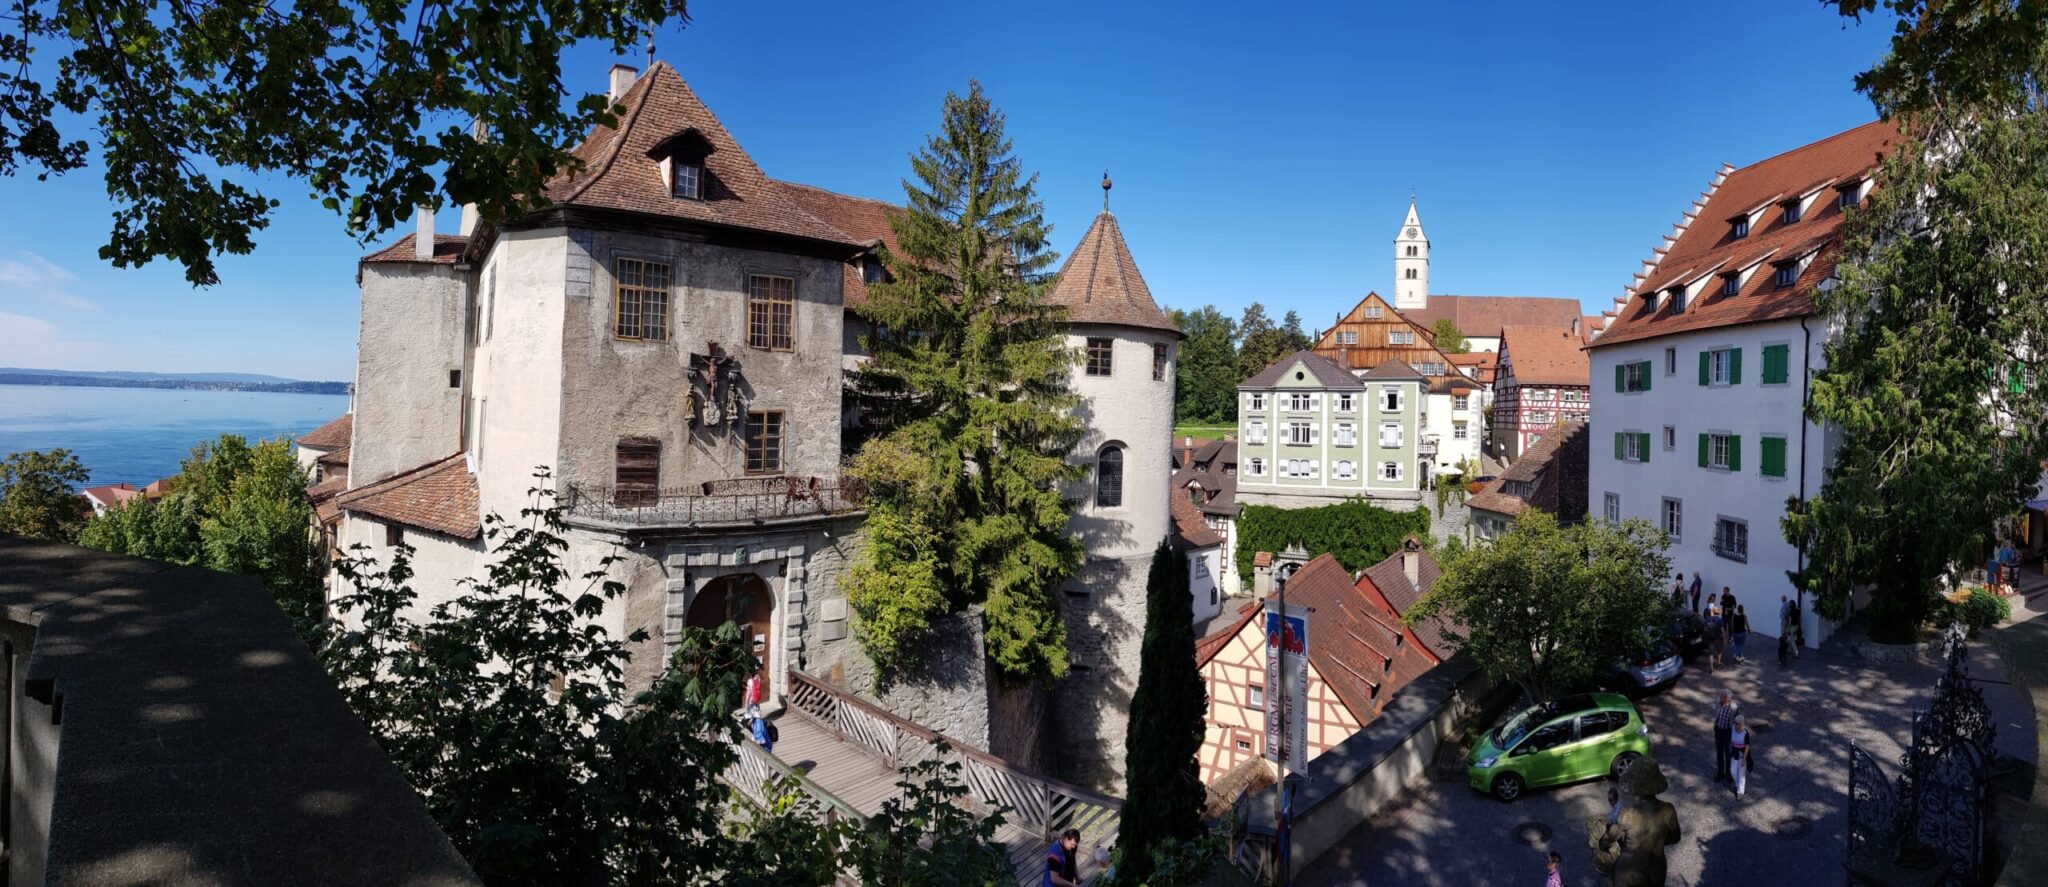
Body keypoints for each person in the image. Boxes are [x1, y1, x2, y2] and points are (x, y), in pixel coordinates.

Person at [1713, 690, 1738, 783]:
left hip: (1728, 733)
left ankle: (1729, 775)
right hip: (1718, 731)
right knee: (1719, 753)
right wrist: (1715, 727)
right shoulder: (1718, 703)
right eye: (1721, 696)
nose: (1721, 698)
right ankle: (1720, 773)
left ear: (1728, 698)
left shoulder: (1734, 708)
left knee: (1728, 756)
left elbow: (1736, 722)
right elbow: (1716, 714)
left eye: (1723, 696)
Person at [1730, 719, 1752, 797]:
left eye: (1738, 724)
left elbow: (1747, 747)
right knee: (1733, 771)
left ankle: (1740, 792)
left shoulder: (1745, 733)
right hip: (1734, 754)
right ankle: (1737, 784)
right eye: (1736, 723)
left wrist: (1744, 759)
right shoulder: (1732, 728)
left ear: (1742, 724)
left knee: (1741, 774)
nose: (1737, 725)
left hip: (1742, 755)